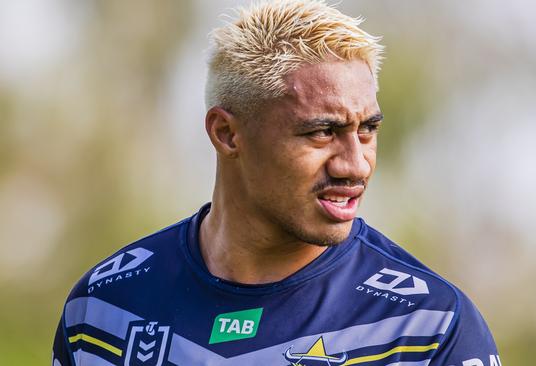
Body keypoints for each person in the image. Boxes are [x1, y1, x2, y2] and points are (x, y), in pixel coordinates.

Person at [53, 1, 501, 365]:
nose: (355, 165)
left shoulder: (428, 326)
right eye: (321, 132)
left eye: (367, 130)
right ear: (227, 134)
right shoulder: (103, 309)